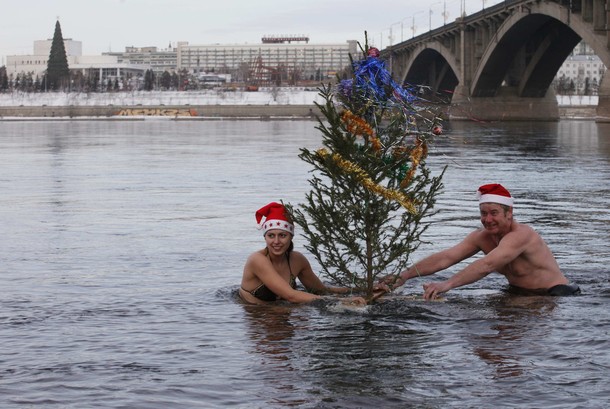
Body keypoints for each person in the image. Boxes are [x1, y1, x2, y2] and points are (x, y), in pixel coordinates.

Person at [377, 184, 580, 300]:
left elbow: (488, 265)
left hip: (555, 295)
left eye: (494, 213)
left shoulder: (522, 235)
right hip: (517, 293)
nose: (488, 219)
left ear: (509, 213)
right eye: (483, 214)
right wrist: (404, 276)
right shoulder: (481, 237)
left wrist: (446, 285)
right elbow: (446, 258)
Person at [239, 202, 366, 305]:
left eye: (282, 235)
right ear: (265, 237)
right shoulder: (257, 260)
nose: (276, 241)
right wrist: (341, 301)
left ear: (291, 236)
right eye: (271, 236)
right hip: (256, 317)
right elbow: (291, 296)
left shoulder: (297, 260)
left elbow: (321, 291)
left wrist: (363, 289)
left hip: (282, 316)